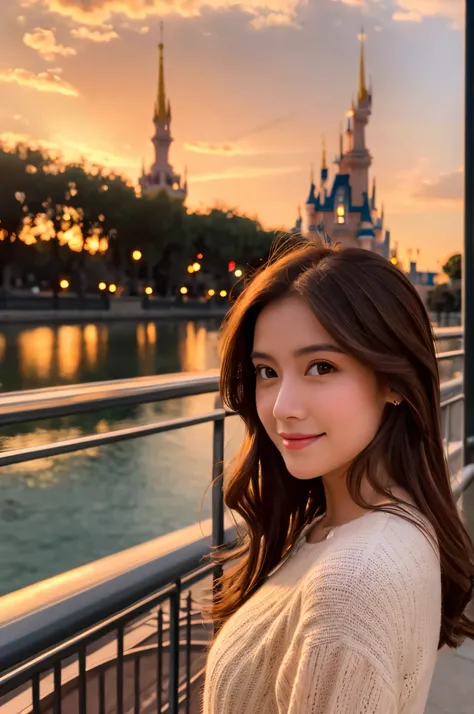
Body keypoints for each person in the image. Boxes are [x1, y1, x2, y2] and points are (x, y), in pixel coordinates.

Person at [201, 235, 474, 714]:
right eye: (267, 372)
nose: (282, 407)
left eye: (320, 367)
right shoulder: (358, 524)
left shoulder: (352, 587)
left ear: (392, 380)